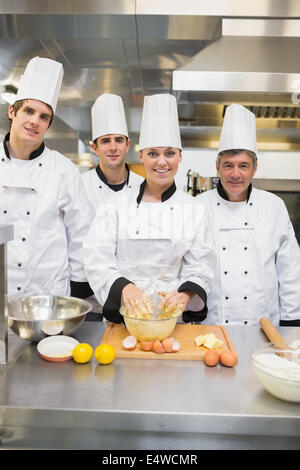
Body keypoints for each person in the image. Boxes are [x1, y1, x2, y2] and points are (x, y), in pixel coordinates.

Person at [83, 94, 215, 323]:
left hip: (172, 320)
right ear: (141, 155)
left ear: (180, 157)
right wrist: (126, 289)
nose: (161, 162)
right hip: (124, 318)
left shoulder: (195, 210)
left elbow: (201, 265)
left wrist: (184, 295)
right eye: (153, 153)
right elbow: (97, 259)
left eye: (170, 153)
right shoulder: (114, 205)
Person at [198, 103, 300, 327]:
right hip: (212, 326)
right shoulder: (198, 207)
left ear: (255, 168)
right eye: (228, 165)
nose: (236, 174)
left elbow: (290, 268)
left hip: (263, 325)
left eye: (243, 165)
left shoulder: (273, 206)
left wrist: (291, 321)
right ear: (217, 167)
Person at [0, 56, 89, 299]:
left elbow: (81, 236)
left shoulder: (64, 171)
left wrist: (79, 289)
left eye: (44, 116)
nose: (34, 121)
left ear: (49, 124)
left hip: (47, 298)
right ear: (12, 111)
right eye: (29, 111)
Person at [81, 93, 143, 220]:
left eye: (119, 140)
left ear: (127, 145)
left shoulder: (143, 187)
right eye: (105, 141)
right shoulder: (79, 186)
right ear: (95, 148)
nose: (113, 147)